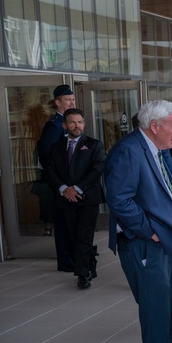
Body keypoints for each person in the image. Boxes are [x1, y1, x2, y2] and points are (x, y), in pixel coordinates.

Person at [105, 100, 172, 343]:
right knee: (155, 303)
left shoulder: (160, 150)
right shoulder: (128, 151)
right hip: (144, 241)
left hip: (169, 238)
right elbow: (119, 200)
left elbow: (170, 192)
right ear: (154, 126)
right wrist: (149, 231)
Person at [43, 108, 105, 289]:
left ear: (84, 124)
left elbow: (97, 169)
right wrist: (64, 189)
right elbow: (50, 170)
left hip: (88, 199)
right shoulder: (56, 147)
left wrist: (77, 188)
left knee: (84, 236)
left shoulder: (94, 145)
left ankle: (83, 274)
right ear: (65, 125)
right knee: (74, 237)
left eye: (80, 122)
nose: (76, 126)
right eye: (72, 122)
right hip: (66, 199)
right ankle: (90, 263)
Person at [38, 84, 77, 270]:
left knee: (73, 223)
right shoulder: (54, 125)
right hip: (61, 183)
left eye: (73, 99)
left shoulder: (72, 122)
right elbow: (46, 155)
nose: (71, 102)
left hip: (72, 182)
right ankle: (66, 260)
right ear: (58, 102)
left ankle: (75, 255)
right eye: (68, 100)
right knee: (63, 224)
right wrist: (60, 181)